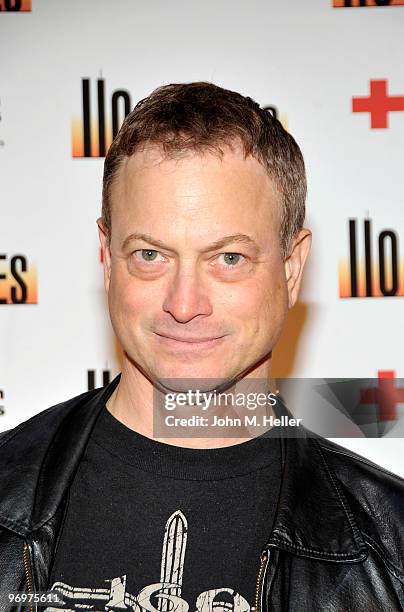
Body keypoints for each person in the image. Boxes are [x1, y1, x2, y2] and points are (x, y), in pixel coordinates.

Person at [0, 82, 403, 612]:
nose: (184, 303)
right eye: (150, 254)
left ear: (291, 267)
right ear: (106, 257)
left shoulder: (390, 546)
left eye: (228, 259)